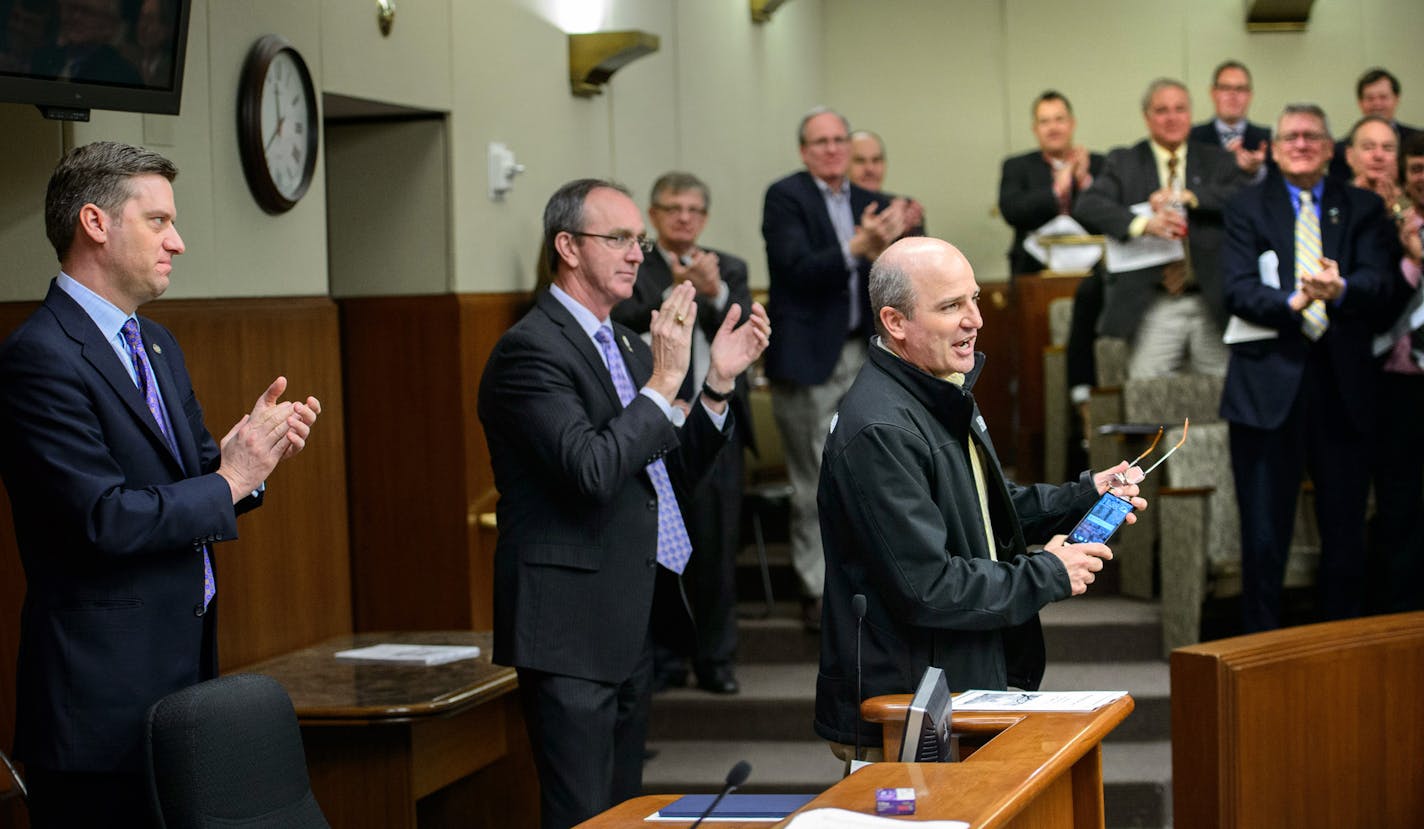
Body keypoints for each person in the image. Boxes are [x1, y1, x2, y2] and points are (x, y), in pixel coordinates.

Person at [0, 141, 321, 826]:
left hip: (182, 682)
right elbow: (104, 518)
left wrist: (250, 463)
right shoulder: (39, 357)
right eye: (158, 221)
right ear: (95, 223)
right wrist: (228, 480)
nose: (177, 242)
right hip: (98, 706)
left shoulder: (155, 344)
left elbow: (202, 481)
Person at [479, 178, 770, 829]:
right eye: (619, 239)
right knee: (583, 814)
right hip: (570, 627)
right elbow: (592, 469)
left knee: (621, 809)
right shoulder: (531, 350)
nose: (638, 253)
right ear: (568, 247)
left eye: (639, 240)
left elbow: (669, 472)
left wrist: (716, 383)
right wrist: (668, 380)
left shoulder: (632, 343)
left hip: (631, 610)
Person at [812, 236, 1145, 769]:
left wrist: (1085, 495)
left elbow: (985, 509)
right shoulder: (879, 427)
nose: (975, 320)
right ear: (895, 322)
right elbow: (928, 588)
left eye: (974, 300)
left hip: (959, 681)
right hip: (910, 706)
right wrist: (1048, 572)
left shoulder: (937, 386)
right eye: (951, 307)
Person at [1220, 104, 1402, 632]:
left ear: (1329, 149)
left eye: (1311, 137)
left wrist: (1340, 288)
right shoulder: (1245, 207)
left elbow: (1383, 285)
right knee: (1262, 538)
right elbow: (1235, 289)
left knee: (1346, 537)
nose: (1300, 144)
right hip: (1265, 390)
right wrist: (1294, 300)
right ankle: (1259, 657)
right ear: (1274, 148)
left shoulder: (1363, 207)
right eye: (1290, 137)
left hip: (1343, 388)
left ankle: (1338, 653)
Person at [761, 107, 910, 631]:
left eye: (838, 140)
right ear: (804, 151)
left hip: (871, 353)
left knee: (878, 473)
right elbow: (795, 270)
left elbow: (903, 278)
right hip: (811, 359)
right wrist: (857, 247)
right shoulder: (786, 197)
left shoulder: (876, 203)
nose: (830, 149)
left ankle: (876, 584)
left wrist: (895, 239)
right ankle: (817, 588)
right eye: (819, 142)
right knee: (814, 481)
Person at [610, 171, 755, 695]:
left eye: (693, 209)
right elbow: (623, 320)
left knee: (717, 549)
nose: (683, 217)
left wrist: (714, 297)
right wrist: (674, 292)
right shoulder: (633, 265)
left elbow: (746, 338)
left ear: (705, 217)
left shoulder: (729, 266)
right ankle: (667, 660)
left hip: (713, 424)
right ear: (653, 215)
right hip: (651, 423)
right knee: (658, 547)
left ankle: (716, 661)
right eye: (672, 208)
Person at [1074, 78, 1245, 379]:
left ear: (1191, 114)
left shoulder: (1218, 160)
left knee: (1225, 388)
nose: (1172, 117)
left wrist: (1191, 197)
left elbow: (1242, 198)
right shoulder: (1124, 161)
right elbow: (1089, 205)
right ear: (1147, 117)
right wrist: (1142, 224)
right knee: (1145, 387)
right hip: (1154, 299)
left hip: (1210, 298)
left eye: (1180, 109)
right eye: (1162, 110)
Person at [1367, 131, 1424, 614]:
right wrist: (1409, 260)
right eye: (1418, 169)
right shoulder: (1388, 228)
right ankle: (1402, 612)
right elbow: (1378, 304)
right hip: (1399, 382)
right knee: (1399, 502)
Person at [998, 90, 1105, 278]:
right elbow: (1011, 212)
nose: (1053, 128)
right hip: (1033, 269)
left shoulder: (1100, 164)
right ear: (1035, 129)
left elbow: (1112, 215)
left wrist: (1084, 182)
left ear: (1072, 124)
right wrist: (1056, 189)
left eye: (1059, 119)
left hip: (1095, 271)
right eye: (1044, 121)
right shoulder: (1017, 166)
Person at [1330, 68, 1421, 181]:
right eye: (1370, 98)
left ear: (1396, 99)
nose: (1377, 104)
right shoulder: (1339, 151)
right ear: (1360, 103)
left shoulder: (1418, 140)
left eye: (1383, 97)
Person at [1189, 60, 1271, 182]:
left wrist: (1256, 171)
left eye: (1240, 89)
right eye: (1225, 88)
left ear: (1250, 95)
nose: (1233, 95)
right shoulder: (1192, 137)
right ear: (1213, 93)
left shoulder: (1268, 139)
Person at [848, 129, 925, 233]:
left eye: (876, 160)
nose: (870, 169)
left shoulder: (904, 210)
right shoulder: (830, 210)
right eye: (860, 161)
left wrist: (906, 232)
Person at [1343, 115, 1406, 218]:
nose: (1378, 155)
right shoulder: (1331, 201)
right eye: (1368, 147)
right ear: (1349, 156)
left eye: (1387, 148)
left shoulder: (1417, 204)